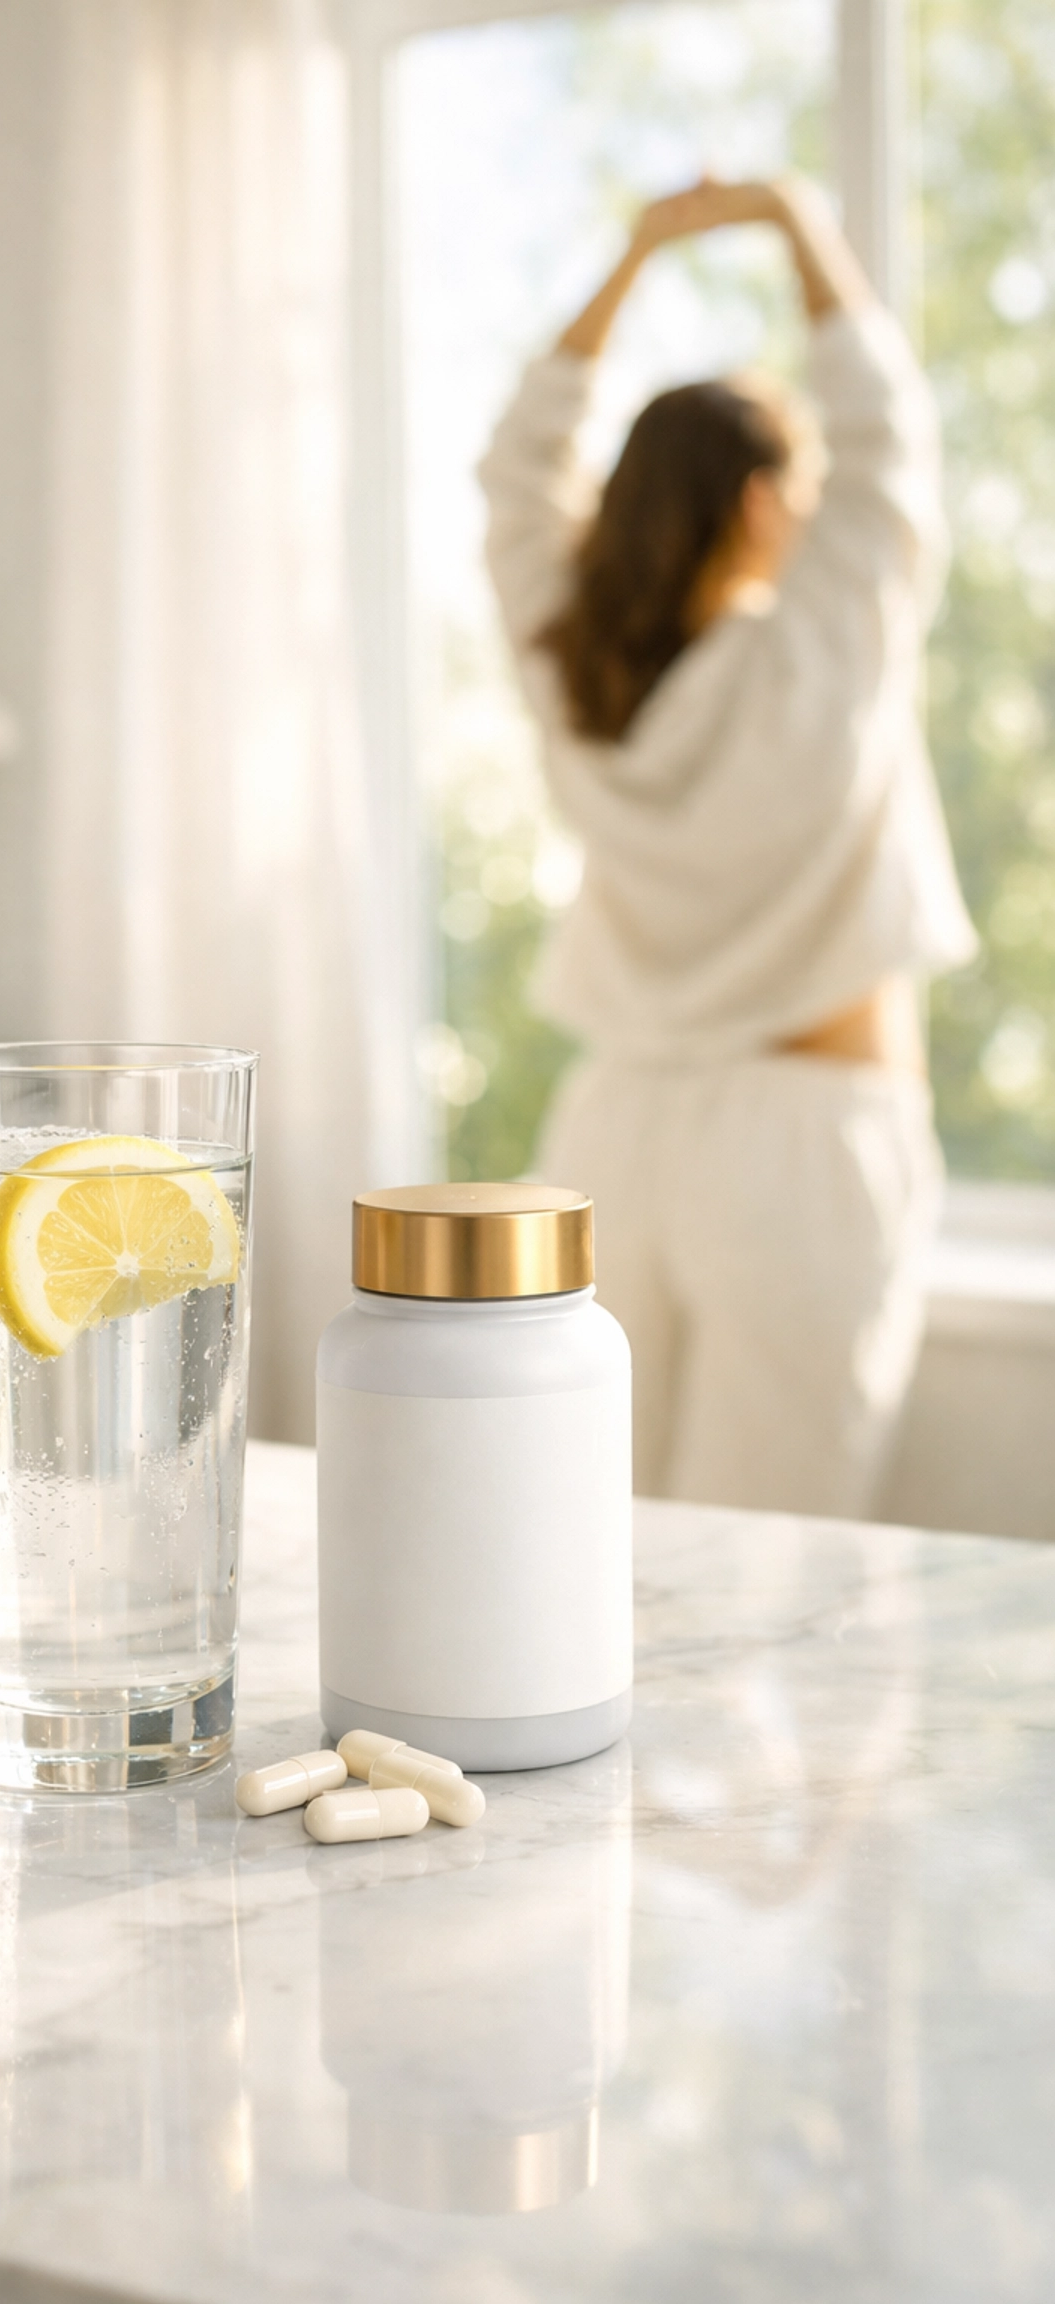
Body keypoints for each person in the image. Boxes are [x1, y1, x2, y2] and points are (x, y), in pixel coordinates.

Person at [478, 177, 977, 1517]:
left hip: (613, 1127)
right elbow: (892, 439)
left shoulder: (574, 671)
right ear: (762, 503)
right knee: (784, 1562)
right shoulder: (825, 651)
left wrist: (635, 247)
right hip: (806, 1132)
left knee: (596, 1538)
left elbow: (518, 470)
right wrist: (806, 226)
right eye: (802, 488)